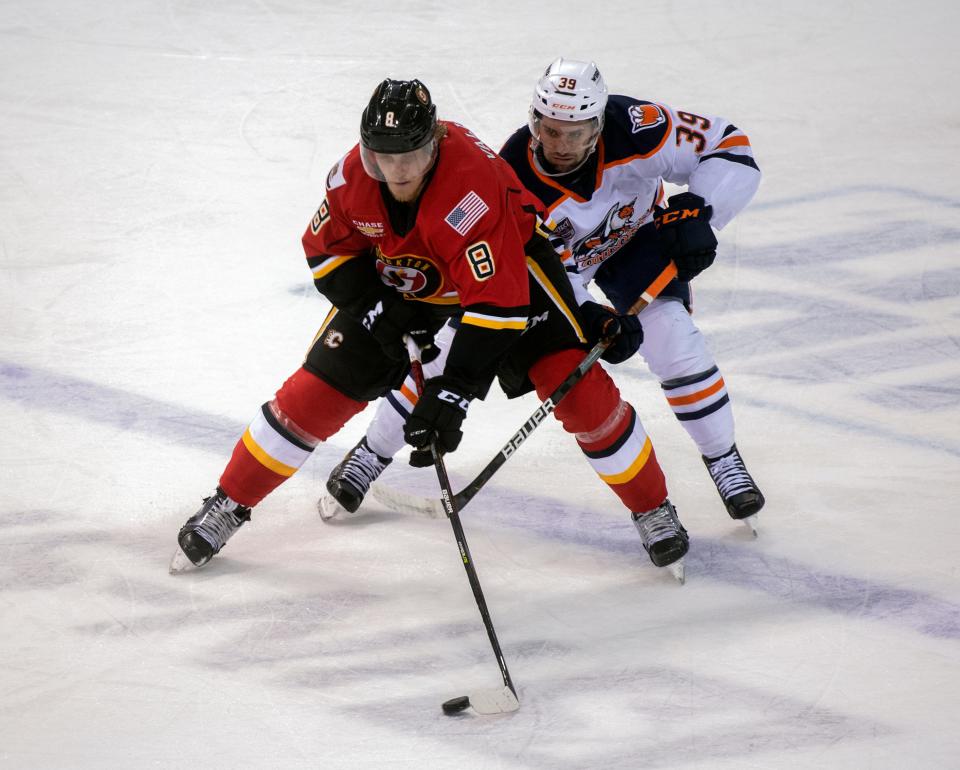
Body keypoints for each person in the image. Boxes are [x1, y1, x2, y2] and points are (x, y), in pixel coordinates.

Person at [170, 78, 689, 577]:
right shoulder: (350, 177)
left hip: (512, 279)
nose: (397, 172)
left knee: (579, 391)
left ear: (436, 142)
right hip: (408, 284)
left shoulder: (471, 192)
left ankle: (652, 508)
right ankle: (228, 504)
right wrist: (380, 313)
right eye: (383, 157)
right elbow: (326, 252)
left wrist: (454, 392)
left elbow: (496, 307)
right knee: (314, 394)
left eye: (410, 157)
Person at [321, 58, 764, 533]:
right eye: (551, 130)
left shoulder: (636, 126)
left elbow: (729, 145)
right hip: (556, 271)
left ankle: (723, 459)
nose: (562, 144)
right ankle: (371, 452)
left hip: (638, 243)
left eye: (575, 132)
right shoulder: (510, 176)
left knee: (675, 339)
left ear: (598, 123)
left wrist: (700, 212)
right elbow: (539, 273)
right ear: (534, 120)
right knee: (442, 351)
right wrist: (591, 315)